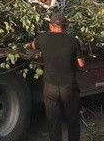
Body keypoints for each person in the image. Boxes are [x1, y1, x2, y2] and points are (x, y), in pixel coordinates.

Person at [32, 12, 85, 141]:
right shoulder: (73, 41)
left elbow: (33, 45)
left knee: (53, 122)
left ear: (51, 26)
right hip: (68, 88)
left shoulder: (43, 38)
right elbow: (81, 64)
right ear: (65, 26)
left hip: (50, 88)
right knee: (72, 121)